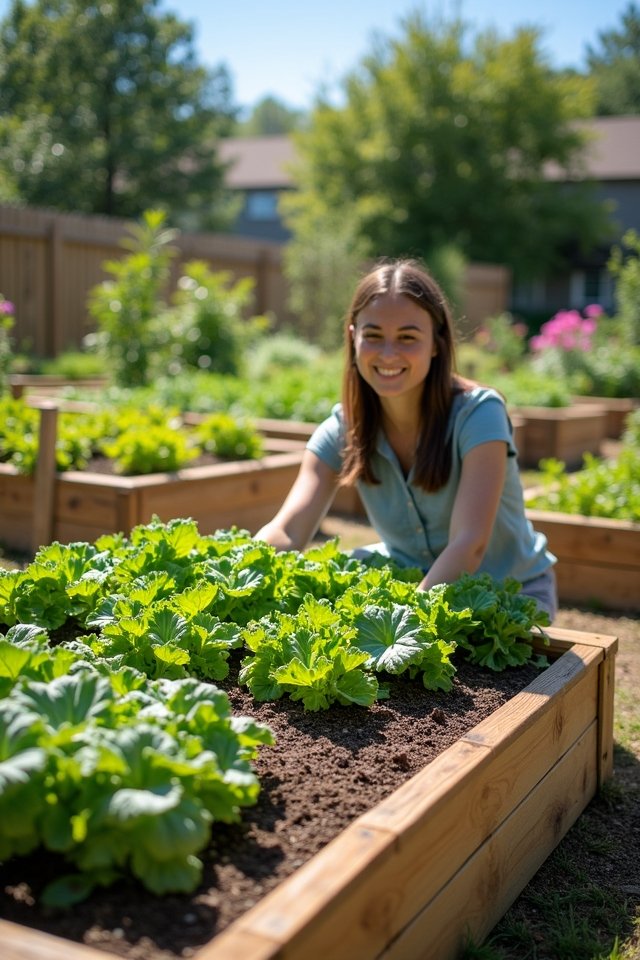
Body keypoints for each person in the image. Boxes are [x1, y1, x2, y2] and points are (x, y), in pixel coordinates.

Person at [255, 258, 558, 621]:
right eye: (374, 336)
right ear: (353, 338)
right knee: (332, 578)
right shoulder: (344, 426)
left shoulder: (479, 414)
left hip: (507, 591)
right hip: (409, 578)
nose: (388, 354)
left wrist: (401, 622)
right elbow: (288, 530)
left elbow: (469, 545)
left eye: (407, 337)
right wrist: (238, 574)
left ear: (436, 342)